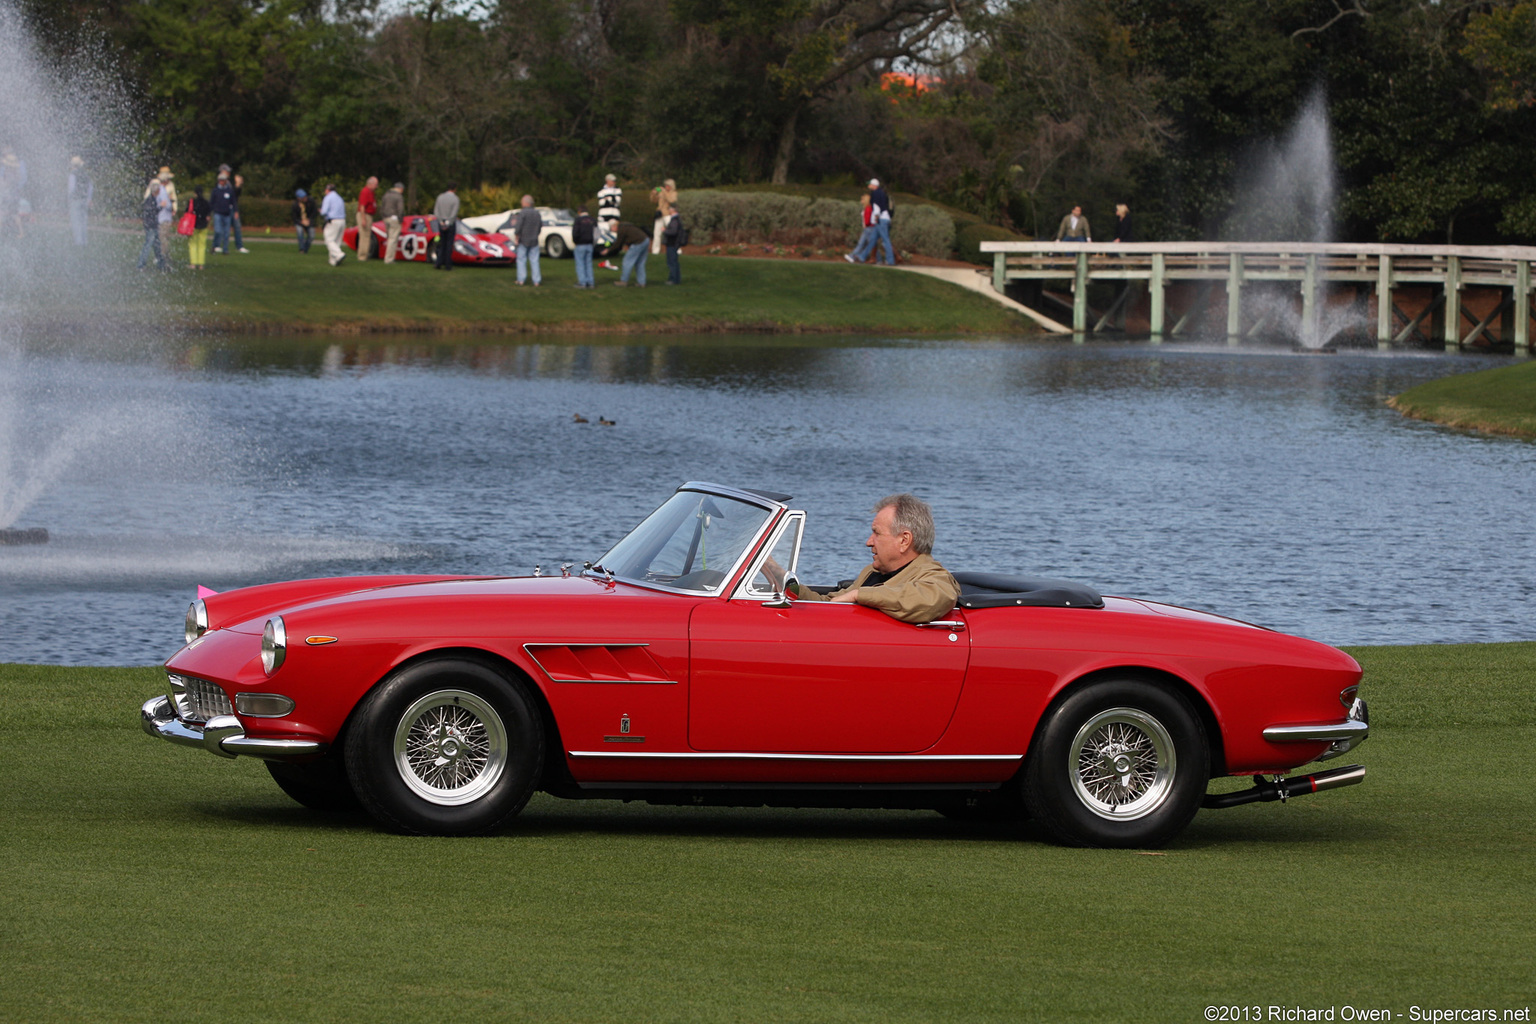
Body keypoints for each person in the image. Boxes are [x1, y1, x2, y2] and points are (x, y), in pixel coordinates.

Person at [788, 494, 959, 624]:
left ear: (904, 540)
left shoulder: (934, 576)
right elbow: (832, 603)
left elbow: (930, 599)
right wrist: (779, 576)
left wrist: (859, 595)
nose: (869, 542)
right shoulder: (872, 571)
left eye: (877, 533)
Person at [599, 220, 650, 287]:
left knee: (627, 261)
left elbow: (618, 244)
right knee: (640, 263)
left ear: (614, 226)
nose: (611, 230)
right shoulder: (626, 226)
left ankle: (624, 281)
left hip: (638, 243)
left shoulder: (621, 230)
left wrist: (608, 251)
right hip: (646, 240)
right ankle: (641, 282)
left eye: (611, 228)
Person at [137, 180, 168, 270]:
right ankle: (141, 264)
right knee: (149, 244)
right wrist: (161, 206)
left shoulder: (151, 200)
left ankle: (161, 264)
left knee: (156, 245)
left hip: (151, 225)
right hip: (151, 225)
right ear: (157, 191)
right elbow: (153, 211)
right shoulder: (151, 200)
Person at [512, 194, 542, 285]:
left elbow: (519, 226)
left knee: (521, 260)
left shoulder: (522, 213)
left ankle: (521, 279)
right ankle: (536, 280)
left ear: (525, 203)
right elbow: (540, 226)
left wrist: (516, 234)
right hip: (534, 240)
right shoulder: (537, 213)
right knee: (534, 260)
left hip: (523, 240)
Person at [596, 172, 622, 269]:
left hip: (614, 215)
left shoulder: (618, 190)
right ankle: (605, 249)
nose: (614, 182)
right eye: (612, 180)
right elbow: (602, 202)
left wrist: (609, 198)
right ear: (607, 181)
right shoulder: (601, 191)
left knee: (614, 233)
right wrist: (610, 199)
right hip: (603, 216)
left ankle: (613, 249)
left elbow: (617, 200)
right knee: (604, 234)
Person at [867, 178, 895, 265]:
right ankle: (877, 259)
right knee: (874, 239)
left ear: (874, 185)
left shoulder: (875, 193)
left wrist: (876, 218)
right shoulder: (883, 193)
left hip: (881, 219)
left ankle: (890, 260)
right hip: (885, 218)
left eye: (870, 184)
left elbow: (877, 207)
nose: (868, 186)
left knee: (885, 240)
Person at [432, 183, 459, 270]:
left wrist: (440, 221)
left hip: (441, 222)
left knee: (442, 243)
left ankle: (438, 262)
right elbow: (454, 213)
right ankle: (448, 264)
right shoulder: (455, 199)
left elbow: (436, 210)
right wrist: (448, 222)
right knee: (449, 244)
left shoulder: (440, 197)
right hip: (450, 223)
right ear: (455, 189)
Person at [319, 182, 347, 266]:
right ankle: (333, 261)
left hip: (333, 221)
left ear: (327, 190)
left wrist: (320, 211)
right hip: (342, 221)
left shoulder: (328, 198)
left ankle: (339, 254)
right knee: (337, 241)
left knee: (329, 240)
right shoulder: (339, 198)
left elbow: (324, 212)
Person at [67, 156, 92, 246]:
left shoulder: (73, 174)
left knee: (76, 221)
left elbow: (71, 188)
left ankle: (78, 241)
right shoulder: (85, 174)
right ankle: (84, 241)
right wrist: (89, 199)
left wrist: (69, 199)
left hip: (75, 200)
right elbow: (90, 187)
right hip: (84, 199)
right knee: (83, 221)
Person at [210, 168, 236, 254]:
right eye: (220, 180)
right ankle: (215, 245)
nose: (221, 182)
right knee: (218, 231)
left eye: (223, 180)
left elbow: (233, 201)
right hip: (218, 213)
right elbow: (211, 202)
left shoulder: (229, 190)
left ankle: (225, 249)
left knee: (226, 233)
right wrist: (210, 212)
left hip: (227, 214)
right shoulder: (215, 190)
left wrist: (235, 211)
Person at [845, 193, 875, 263]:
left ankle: (852, 256)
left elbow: (868, 219)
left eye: (862, 199)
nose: (861, 201)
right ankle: (877, 258)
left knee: (862, 244)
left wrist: (866, 224)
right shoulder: (867, 208)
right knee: (869, 244)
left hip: (868, 228)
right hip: (868, 228)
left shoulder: (868, 208)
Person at [379, 182, 405, 263]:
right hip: (394, 219)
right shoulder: (399, 196)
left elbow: (382, 207)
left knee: (389, 238)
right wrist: (400, 219)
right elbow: (401, 209)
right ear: (400, 189)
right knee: (393, 239)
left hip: (386, 218)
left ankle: (388, 257)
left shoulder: (386, 195)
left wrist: (383, 217)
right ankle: (389, 259)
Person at [571, 204, 596, 288]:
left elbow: (575, 233)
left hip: (580, 244)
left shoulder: (578, 220)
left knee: (580, 264)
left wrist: (575, 241)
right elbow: (597, 233)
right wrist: (594, 242)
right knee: (588, 264)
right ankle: (590, 282)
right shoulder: (593, 220)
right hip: (590, 244)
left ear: (579, 211)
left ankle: (582, 282)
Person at [187, 185, 211, 269]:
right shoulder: (206, 202)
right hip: (203, 225)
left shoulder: (192, 202)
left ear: (195, 193)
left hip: (193, 225)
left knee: (193, 244)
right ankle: (201, 264)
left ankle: (193, 263)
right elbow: (208, 213)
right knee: (202, 245)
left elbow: (187, 212)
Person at [651, 177, 677, 254]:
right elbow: (653, 200)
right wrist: (654, 192)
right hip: (660, 214)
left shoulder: (674, 193)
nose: (666, 187)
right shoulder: (662, 192)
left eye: (668, 186)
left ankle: (676, 249)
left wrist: (664, 192)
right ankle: (655, 251)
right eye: (665, 185)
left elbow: (671, 200)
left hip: (668, 214)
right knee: (656, 233)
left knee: (672, 232)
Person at [356, 176, 378, 260]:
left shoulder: (371, 192)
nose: (376, 186)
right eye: (375, 184)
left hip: (369, 215)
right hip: (365, 214)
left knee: (367, 235)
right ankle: (362, 256)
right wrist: (363, 219)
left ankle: (364, 254)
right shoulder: (365, 191)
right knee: (364, 235)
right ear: (370, 184)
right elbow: (362, 206)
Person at [662, 203, 684, 285]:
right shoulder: (677, 219)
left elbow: (673, 232)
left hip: (672, 243)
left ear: (672, 210)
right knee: (674, 261)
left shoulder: (674, 220)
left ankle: (673, 279)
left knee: (671, 262)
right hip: (674, 243)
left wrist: (665, 230)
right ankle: (676, 278)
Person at [291, 188, 317, 253]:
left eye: (305, 197)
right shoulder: (295, 205)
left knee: (312, 235)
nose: (305, 198)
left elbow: (314, 212)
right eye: (303, 197)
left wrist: (309, 220)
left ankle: (305, 248)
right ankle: (301, 249)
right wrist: (301, 222)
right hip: (299, 221)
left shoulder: (311, 202)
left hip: (308, 220)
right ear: (298, 198)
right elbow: (294, 217)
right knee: (300, 233)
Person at [230, 172, 249, 253]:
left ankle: (239, 246)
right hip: (225, 209)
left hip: (233, 209)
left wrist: (238, 184)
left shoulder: (236, 187)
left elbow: (235, 195)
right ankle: (218, 246)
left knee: (237, 227)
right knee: (222, 229)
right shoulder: (226, 183)